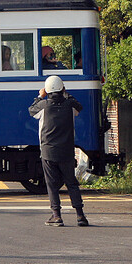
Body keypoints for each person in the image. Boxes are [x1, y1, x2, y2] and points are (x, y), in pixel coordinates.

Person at [28, 75, 87, 227]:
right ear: (62, 89)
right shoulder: (70, 106)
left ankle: (56, 215)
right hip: (66, 150)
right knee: (71, 183)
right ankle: (80, 216)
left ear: (47, 91)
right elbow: (78, 106)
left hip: (48, 150)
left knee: (51, 184)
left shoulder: (43, 105)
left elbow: (31, 111)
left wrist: (39, 96)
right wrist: (65, 93)